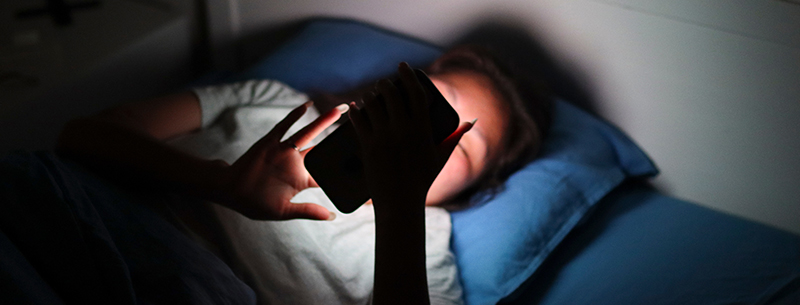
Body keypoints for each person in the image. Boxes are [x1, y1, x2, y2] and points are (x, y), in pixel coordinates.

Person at [55, 46, 550, 304]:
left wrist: (400, 205)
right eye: (432, 108)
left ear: (467, 191)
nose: (430, 138)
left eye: (462, 146)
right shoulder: (275, 102)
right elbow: (82, 137)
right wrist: (217, 184)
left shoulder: (424, 247)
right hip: (75, 216)